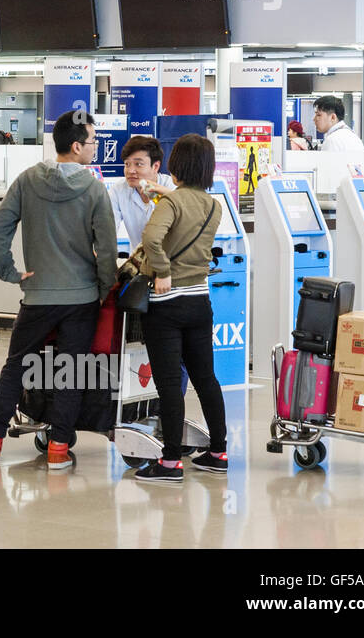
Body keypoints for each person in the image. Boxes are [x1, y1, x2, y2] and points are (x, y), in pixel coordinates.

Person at [0, 110, 116, 469]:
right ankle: (58, 448)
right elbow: (106, 248)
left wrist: (12, 272)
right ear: (75, 146)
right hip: (81, 297)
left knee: (16, 366)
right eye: (92, 142)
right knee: (72, 368)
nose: (95, 148)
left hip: (38, 294)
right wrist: (104, 289)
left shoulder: (27, 181)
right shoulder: (94, 188)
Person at [133, 134, 228, 482]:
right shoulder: (214, 205)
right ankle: (218, 451)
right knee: (206, 379)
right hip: (200, 302)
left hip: (167, 304)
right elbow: (188, 208)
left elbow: (151, 239)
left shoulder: (170, 205)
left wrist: (163, 271)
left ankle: (171, 461)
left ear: (178, 166)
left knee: (170, 384)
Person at [109, 135, 175, 249]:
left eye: (138, 164)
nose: (130, 171)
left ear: (155, 166)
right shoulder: (118, 190)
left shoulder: (171, 187)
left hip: (171, 260)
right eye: (127, 164)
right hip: (139, 261)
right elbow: (108, 230)